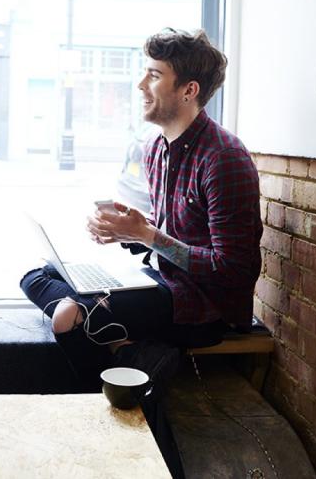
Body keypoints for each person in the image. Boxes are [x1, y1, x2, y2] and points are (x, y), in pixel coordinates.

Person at [20, 28, 262, 391]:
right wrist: (127, 232)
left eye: (153, 75)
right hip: (163, 281)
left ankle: (119, 408)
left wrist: (147, 235)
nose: (139, 86)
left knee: (68, 315)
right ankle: (129, 353)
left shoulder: (224, 158)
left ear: (188, 90)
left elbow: (234, 271)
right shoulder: (156, 148)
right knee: (37, 276)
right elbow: (173, 237)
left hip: (204, 306)